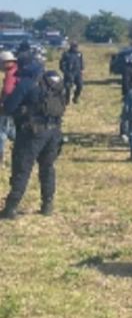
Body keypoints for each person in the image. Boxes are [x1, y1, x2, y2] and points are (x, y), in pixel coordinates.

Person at [0, 53, 68, 219]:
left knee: (22, 169)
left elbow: (9, 107)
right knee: (47, 167)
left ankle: (11, 208)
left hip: (32, 132)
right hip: (54, 131)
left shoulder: (27, 84)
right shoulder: (54, 82)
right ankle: (47, 204)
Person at [0, 51, 18, 167]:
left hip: (7, 109)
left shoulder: (11, 74)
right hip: (17, 108)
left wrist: (2, 104)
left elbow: (7, 91)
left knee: (1, 133)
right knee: (13, 132)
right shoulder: (18, 70)